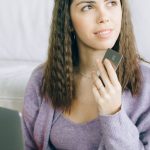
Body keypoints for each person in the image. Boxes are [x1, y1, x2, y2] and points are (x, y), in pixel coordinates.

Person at [22, 0, 150, 149]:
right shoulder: (41, 80)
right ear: (68, 20)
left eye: (111, 3)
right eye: (88, 7)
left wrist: (113, 114)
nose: (104, 17)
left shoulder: (146, 84)